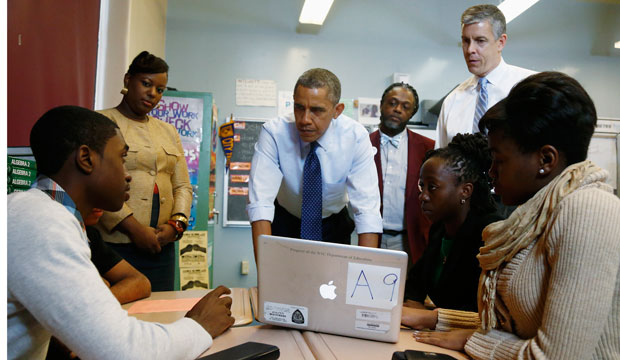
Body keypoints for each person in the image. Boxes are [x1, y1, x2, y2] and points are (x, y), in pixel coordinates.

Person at [413, 72, 620, 359]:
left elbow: (557, 356)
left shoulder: (587, 210)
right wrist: (436, 320)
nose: (492, 173)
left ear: (545, 160)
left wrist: (474, 342)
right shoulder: (535, 215)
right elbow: (519, 326)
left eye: (499, 160)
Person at [8, 106, 234, 359]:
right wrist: (200, 325)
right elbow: (126, 352)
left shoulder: (45, 215)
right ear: (86, 158)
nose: (128, 175)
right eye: (122, 158)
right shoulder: (41, 222)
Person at [247, 68, 382, 257]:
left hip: (333, 225)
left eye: (317, 110)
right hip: (285, 222)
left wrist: (365, 273)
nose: (305, 120)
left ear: (337, 110)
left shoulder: (356, 137)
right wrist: (265, 274)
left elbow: (367, 211)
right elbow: (260, 204)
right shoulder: (274, 133)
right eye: (299, 107)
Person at [95, 51, 192, 291]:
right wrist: (135, 229)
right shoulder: (100, 122)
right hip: (115, 246)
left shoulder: (169, 131)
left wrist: (176, 225)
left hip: (162, 247)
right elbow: (96, 185)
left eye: (160, 89)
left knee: (161, 315)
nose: (152, 94)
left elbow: (183, 186)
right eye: (146, 84)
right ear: (128, 80)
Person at [401, 133, 502, 330]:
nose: (423, 196)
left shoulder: (490, 233)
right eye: (422, 186)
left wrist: (426, 317)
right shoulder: (440, 229)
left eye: (433, 187)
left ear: (465, 191)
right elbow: (414, 288)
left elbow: (482, 312)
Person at [435, 4, 535, 148]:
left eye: (480, 41)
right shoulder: (453, 100)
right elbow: (441, 163)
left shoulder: (530, 89)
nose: (470, 50)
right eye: (466, 41)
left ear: (501, 42)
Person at [369, 82, 434, 265]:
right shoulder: (362, 145)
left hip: (409, 240)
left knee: (407, 292)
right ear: (381, 105)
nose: (397, 109)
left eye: (405, 107)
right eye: (392, 103)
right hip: (370, 237)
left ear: (412, 113)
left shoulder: (428, 148)